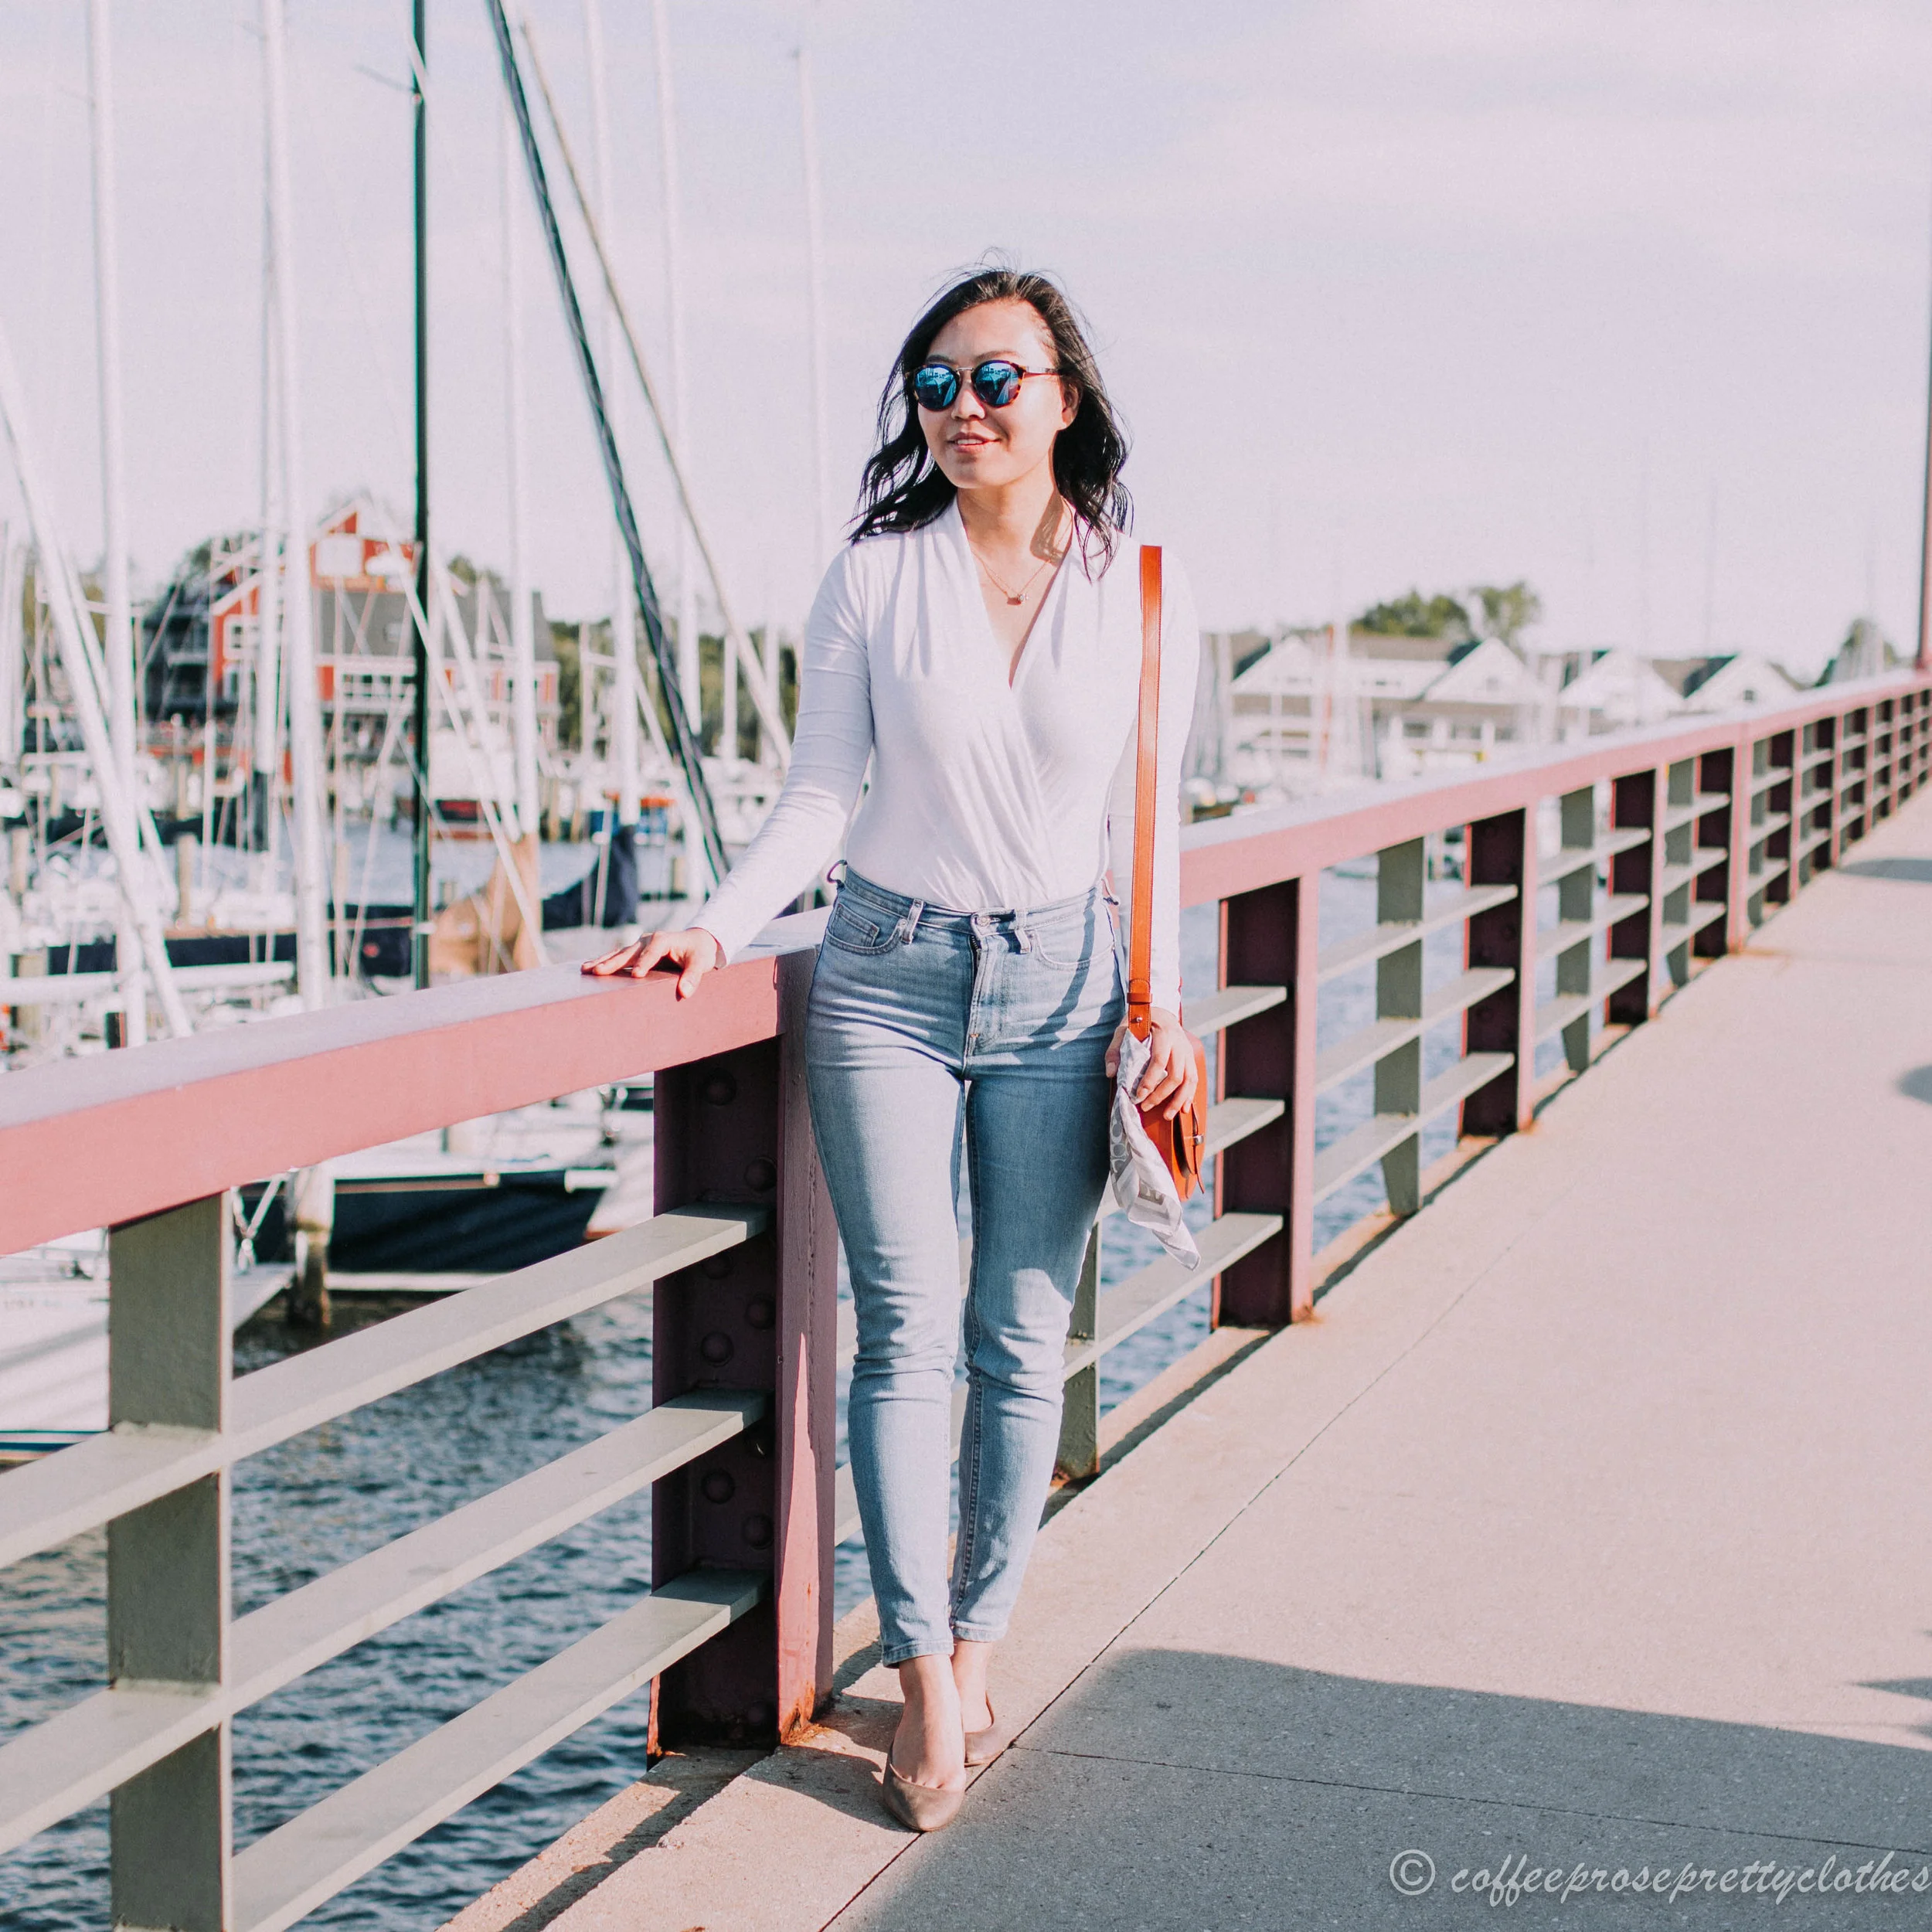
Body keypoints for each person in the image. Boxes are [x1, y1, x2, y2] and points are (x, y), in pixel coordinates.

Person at [587, 265, 1198, 1832]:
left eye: (995, 378)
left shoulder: (1141, 587)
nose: (962, 409)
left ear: (1063, 396)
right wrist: (715, 926)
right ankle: (923, 1676)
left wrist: (1164, 1005)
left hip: (1064, 986)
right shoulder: (875, 577)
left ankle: (981, 1640)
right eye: (933, 385)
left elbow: (1152, 820)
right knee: (908, 1334)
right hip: (883, 975)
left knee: (1021, 1334)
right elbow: (819, 795)